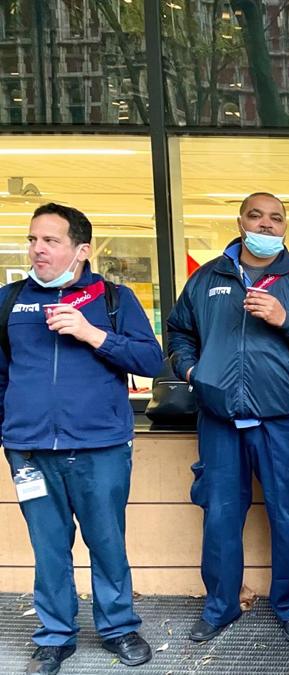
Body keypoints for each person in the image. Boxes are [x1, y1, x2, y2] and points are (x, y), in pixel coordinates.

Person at [166, 192, 289, 644]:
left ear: (285, 227)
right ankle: (220, 606)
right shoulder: (208, 278)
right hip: (220, 420)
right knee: (220, 515)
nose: (265, 225)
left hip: (284, 420)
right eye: (256, 216)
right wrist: (191, 370)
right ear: (240, 220)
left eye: (275, 218)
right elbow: (179, 331)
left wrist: (287, 319)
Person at [0, 203, 163, 674]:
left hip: (100, 448)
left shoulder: (112, 298)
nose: (37, 249)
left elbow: (150, 362)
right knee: (48, 546)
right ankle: (55, 635)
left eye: (50, 241)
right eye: (32, 239)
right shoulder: (10, 301)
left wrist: (94, 335)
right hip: (30, 450)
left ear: (81, 249)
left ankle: (118, 628)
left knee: (107, 542)